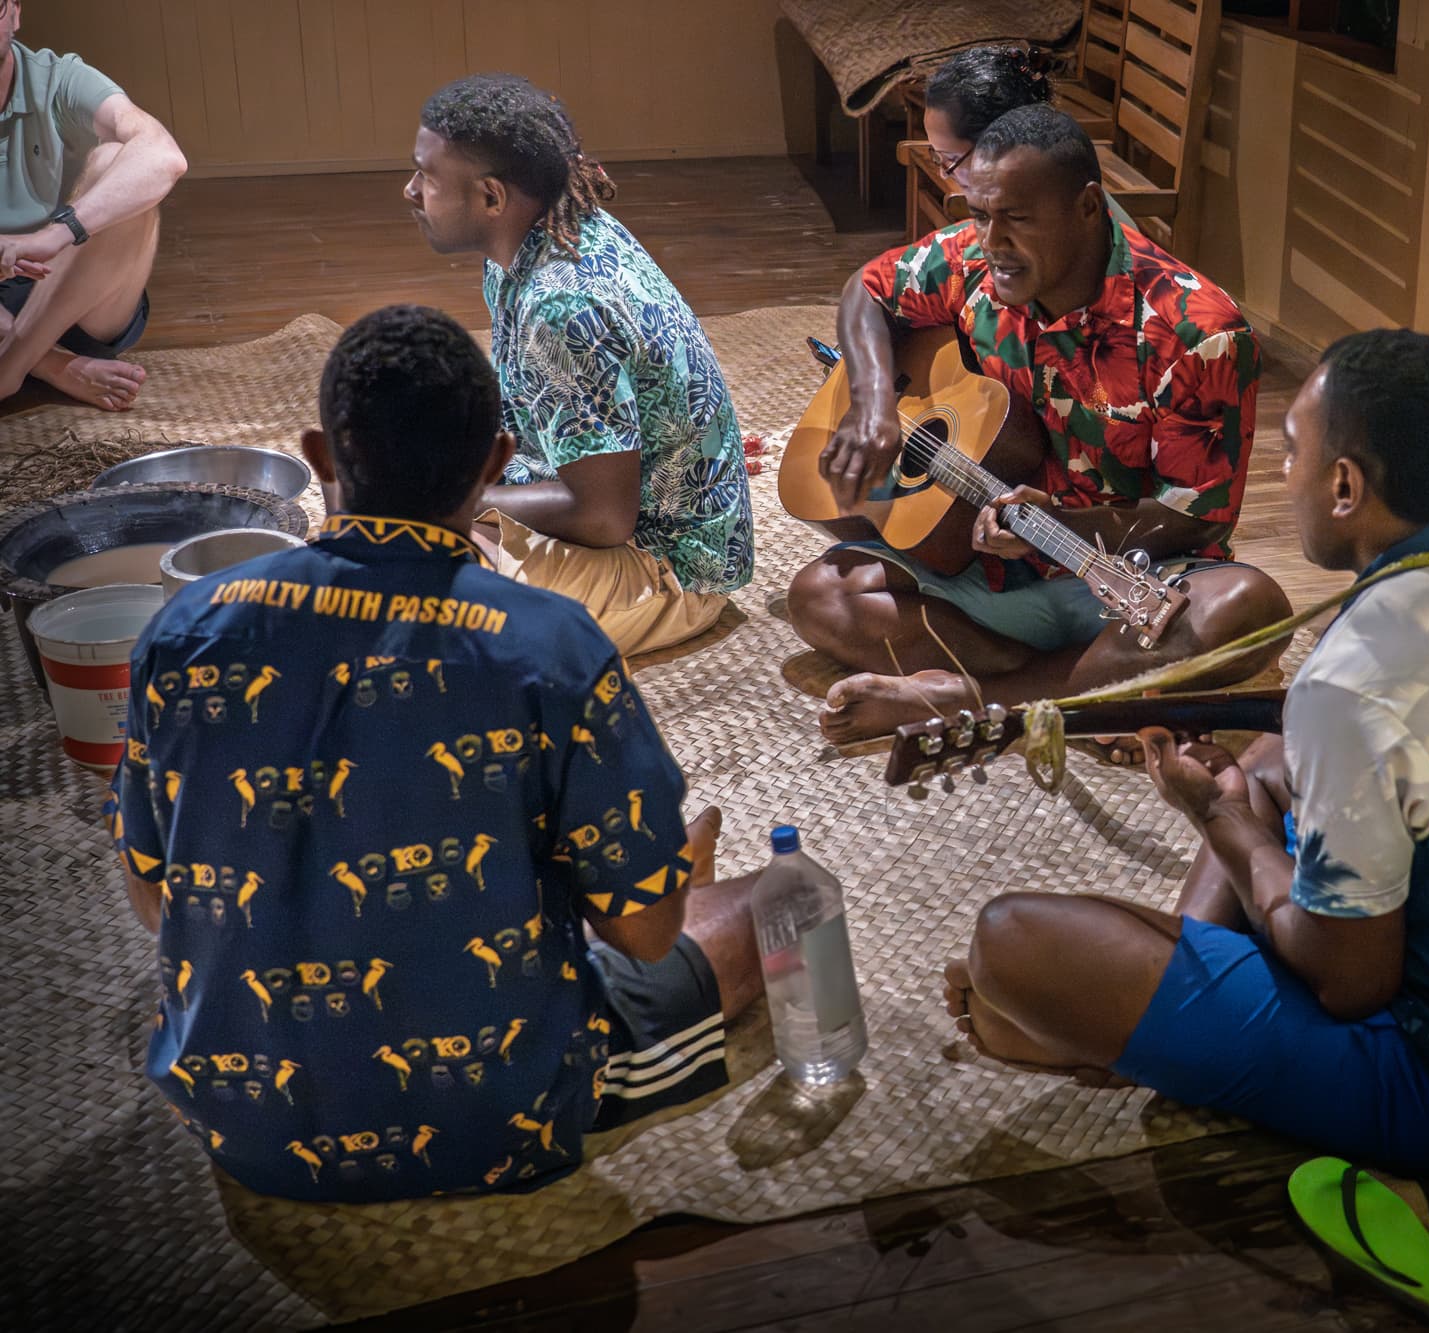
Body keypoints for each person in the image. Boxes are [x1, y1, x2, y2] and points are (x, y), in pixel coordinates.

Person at [940, 329, 1429, 1177]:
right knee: (1271, 757)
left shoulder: (1351, 680)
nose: (1285, 480)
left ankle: (1144, 1036)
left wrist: (1222, 822)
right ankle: (1164, 1013)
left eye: (1292, 455)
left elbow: (1351, 981)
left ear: (1347, 485)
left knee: (1010, 941)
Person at [110, 305, 762, 1202]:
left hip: (241, 1120)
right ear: (497, 464)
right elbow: (645, 936)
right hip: (502, 1114)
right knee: (780, 903)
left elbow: (155, 900)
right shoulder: (550, 645)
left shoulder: (185, 630)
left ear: (320, 456)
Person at [790, 104, 1291, 743]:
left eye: (1017, 219)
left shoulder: (1198, 331)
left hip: (1125, 584)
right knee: (822, 595)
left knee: (1249, 610)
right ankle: (1082, 689)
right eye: (979, 215)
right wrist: (870, 402)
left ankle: (974, 699)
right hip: (991, 578)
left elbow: (1195, 515)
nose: (992, 241)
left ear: (1087, 207)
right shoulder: (973, 260)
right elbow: (869, 287)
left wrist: (1064, 526)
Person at [404, 73, 752, 658]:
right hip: (599, 504)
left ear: (491, 198)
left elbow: (602, 518)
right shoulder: (524, 244)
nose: (411, 191)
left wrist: (458, 503)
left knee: (409, 604)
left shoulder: (565, 305)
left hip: (668, 569)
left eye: (428, 178)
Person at [0, 0, 186, 410]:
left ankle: (10, 365)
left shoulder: (57, 78)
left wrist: (56, 234)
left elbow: (164, 156)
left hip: (72, 295)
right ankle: (50, 365)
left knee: (117, 160)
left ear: (14, 12)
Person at [919, 45, 1135, 228]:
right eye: (938, 157)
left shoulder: (1053, 222)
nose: (944, 173)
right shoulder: (1017, 203)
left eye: (952, 159)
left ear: (1000, 143)